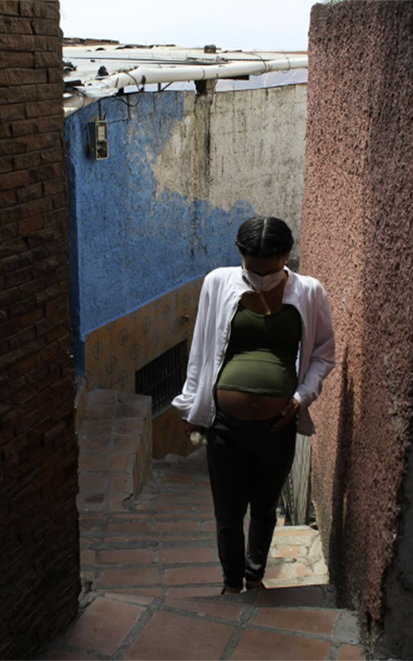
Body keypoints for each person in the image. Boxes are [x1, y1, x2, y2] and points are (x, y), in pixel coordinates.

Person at [172, 216, 336, 594]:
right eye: (253, 269)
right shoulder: (218, 282)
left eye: (270, 270)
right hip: (225, 425)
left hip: (278, 427)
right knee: (228, 513)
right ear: (240, 255)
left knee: (264, 508)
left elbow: (324, 354)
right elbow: (201, 349)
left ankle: (255, 575)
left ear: (287, 256)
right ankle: (231, 583)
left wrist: (302, 396)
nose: (261, 277)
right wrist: (193, 406)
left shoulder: (310, 291)